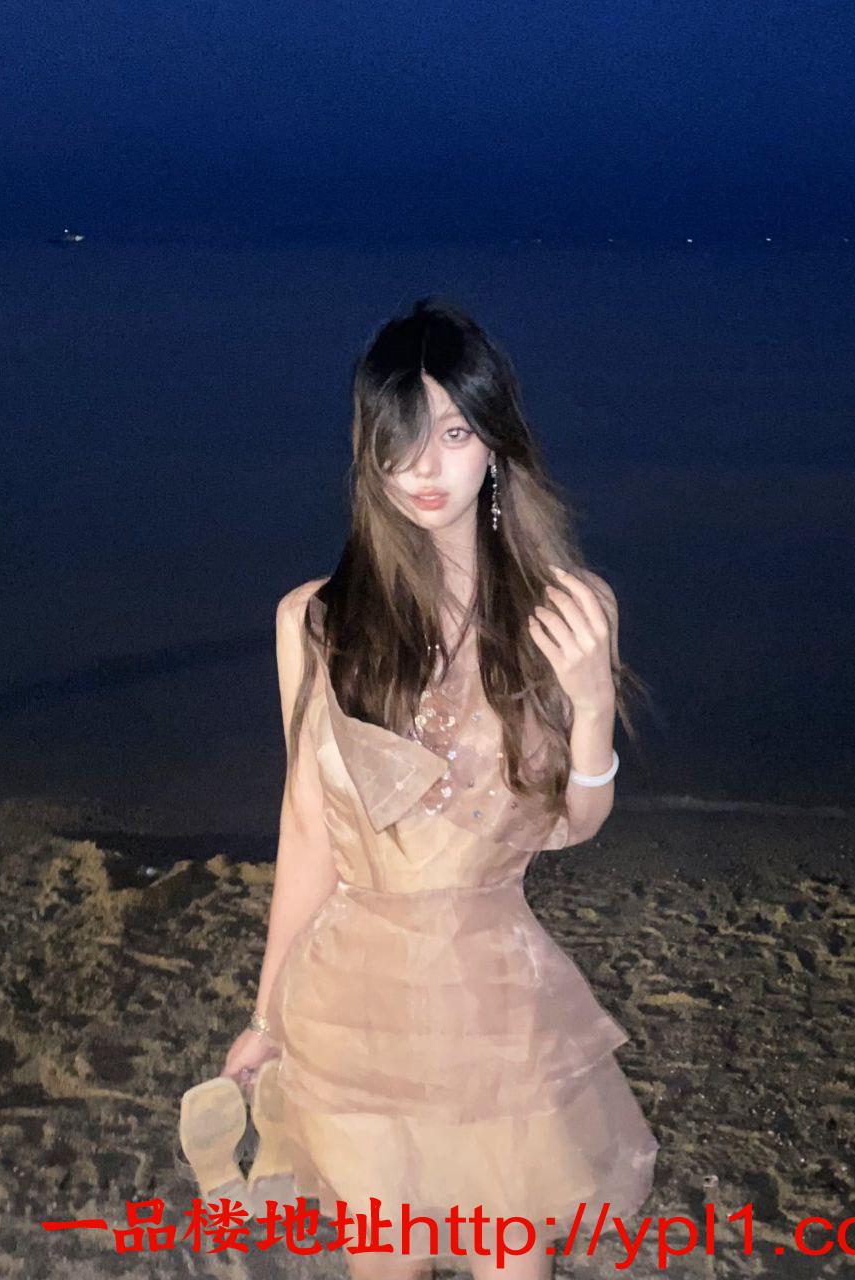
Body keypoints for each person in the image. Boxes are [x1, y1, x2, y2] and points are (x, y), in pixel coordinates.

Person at [218, 297, 659, 1278]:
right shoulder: (313, 623)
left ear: (495, 444)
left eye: (454, 434)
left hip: (492, 995)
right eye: (402, 438)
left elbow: (575, 822)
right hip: (347, 1005)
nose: (425, 466)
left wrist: (591, 705)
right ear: (367, 450)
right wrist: (265, 1015)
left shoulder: (565, 610)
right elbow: (307, 826)